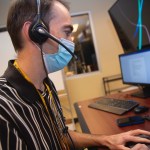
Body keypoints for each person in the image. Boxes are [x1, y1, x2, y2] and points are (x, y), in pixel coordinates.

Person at [0, 0, 150, 149]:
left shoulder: (46, 85)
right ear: (34, 33)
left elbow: (62, 136)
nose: (72, 41)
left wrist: (107, 140)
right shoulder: (3, 106)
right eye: (67, 32)